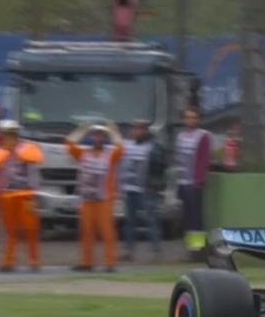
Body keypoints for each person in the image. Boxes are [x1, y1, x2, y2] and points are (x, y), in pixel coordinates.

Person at [0, 120, 43, 272]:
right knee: (10, 230)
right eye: (5, 134)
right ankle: (8, 262)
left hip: (25, 194)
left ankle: (34, 260)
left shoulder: (28, 149)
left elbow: (33, 173)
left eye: (11, 133)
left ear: (16, 134)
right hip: (6, 195)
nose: (8, 137)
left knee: (31, 229)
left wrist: (33, 194)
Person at [65, 121, 123, 272]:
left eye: (101, 136)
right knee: (86, 232)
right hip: (87, 200)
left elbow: (121, 149)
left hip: (104, 200)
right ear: (91, 137)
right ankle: (87, 263)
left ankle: (110, 263)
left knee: (107, 232)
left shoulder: (110, 156)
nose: (98, 139)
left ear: (105, 138)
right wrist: (81, 130)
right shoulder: (83, 154)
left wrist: (114, 132)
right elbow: (69, 145)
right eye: (95, 135)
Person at [120, 118, 166, 262]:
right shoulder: (128, 145)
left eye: (139, 128)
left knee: (151, 221)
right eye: (134, 128)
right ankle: (128, 251)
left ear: (145, 130)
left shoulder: (154, 147)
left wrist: (155, 185)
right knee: (129, 223)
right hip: (130, 189)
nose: (136, 131)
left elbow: (161, 167)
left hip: (147, 190)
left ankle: (156, 253)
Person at [174, 107, 212, 255]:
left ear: (198, 120)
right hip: (182, 182)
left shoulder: (203, 136)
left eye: (193, 117)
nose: (190, 120)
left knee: (196, 218)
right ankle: (190, 247)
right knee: (186, 218)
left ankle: (198, 250)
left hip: (194, 184)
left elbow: (204, 160)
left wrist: (199, 180)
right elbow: (178, 160)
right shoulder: (181, 136)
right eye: (188, 117)